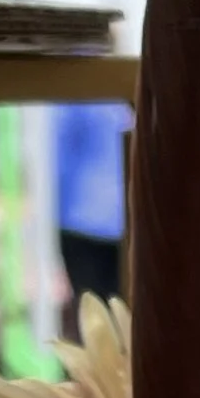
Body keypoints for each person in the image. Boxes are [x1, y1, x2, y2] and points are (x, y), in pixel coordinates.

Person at [54, 94, 134, 312]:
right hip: (125, 218)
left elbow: (57, 157)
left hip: (80, 219)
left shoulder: (76, 92)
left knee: (95, 313)